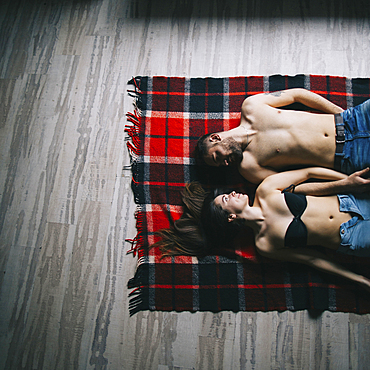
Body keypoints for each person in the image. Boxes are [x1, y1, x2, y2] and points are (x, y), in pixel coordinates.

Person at [154, 167, 370, 292]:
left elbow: (308, 172)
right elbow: (314, 260)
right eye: (227, 198)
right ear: (231, 217)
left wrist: (347, 182)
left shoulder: (266, 188)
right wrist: (357, 279)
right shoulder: (265, 245)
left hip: (350, 202)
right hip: (351, 238)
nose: (232, 192)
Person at [195, 88, 370, 188]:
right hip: (350, 156)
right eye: (219, 165)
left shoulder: (251, 107)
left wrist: (344, 114)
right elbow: (295, 185)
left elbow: (297, 95)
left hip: (351, 119)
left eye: (217, 156)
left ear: (215, 138)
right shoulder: (249, 167)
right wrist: (345, 182)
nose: (225, 163)